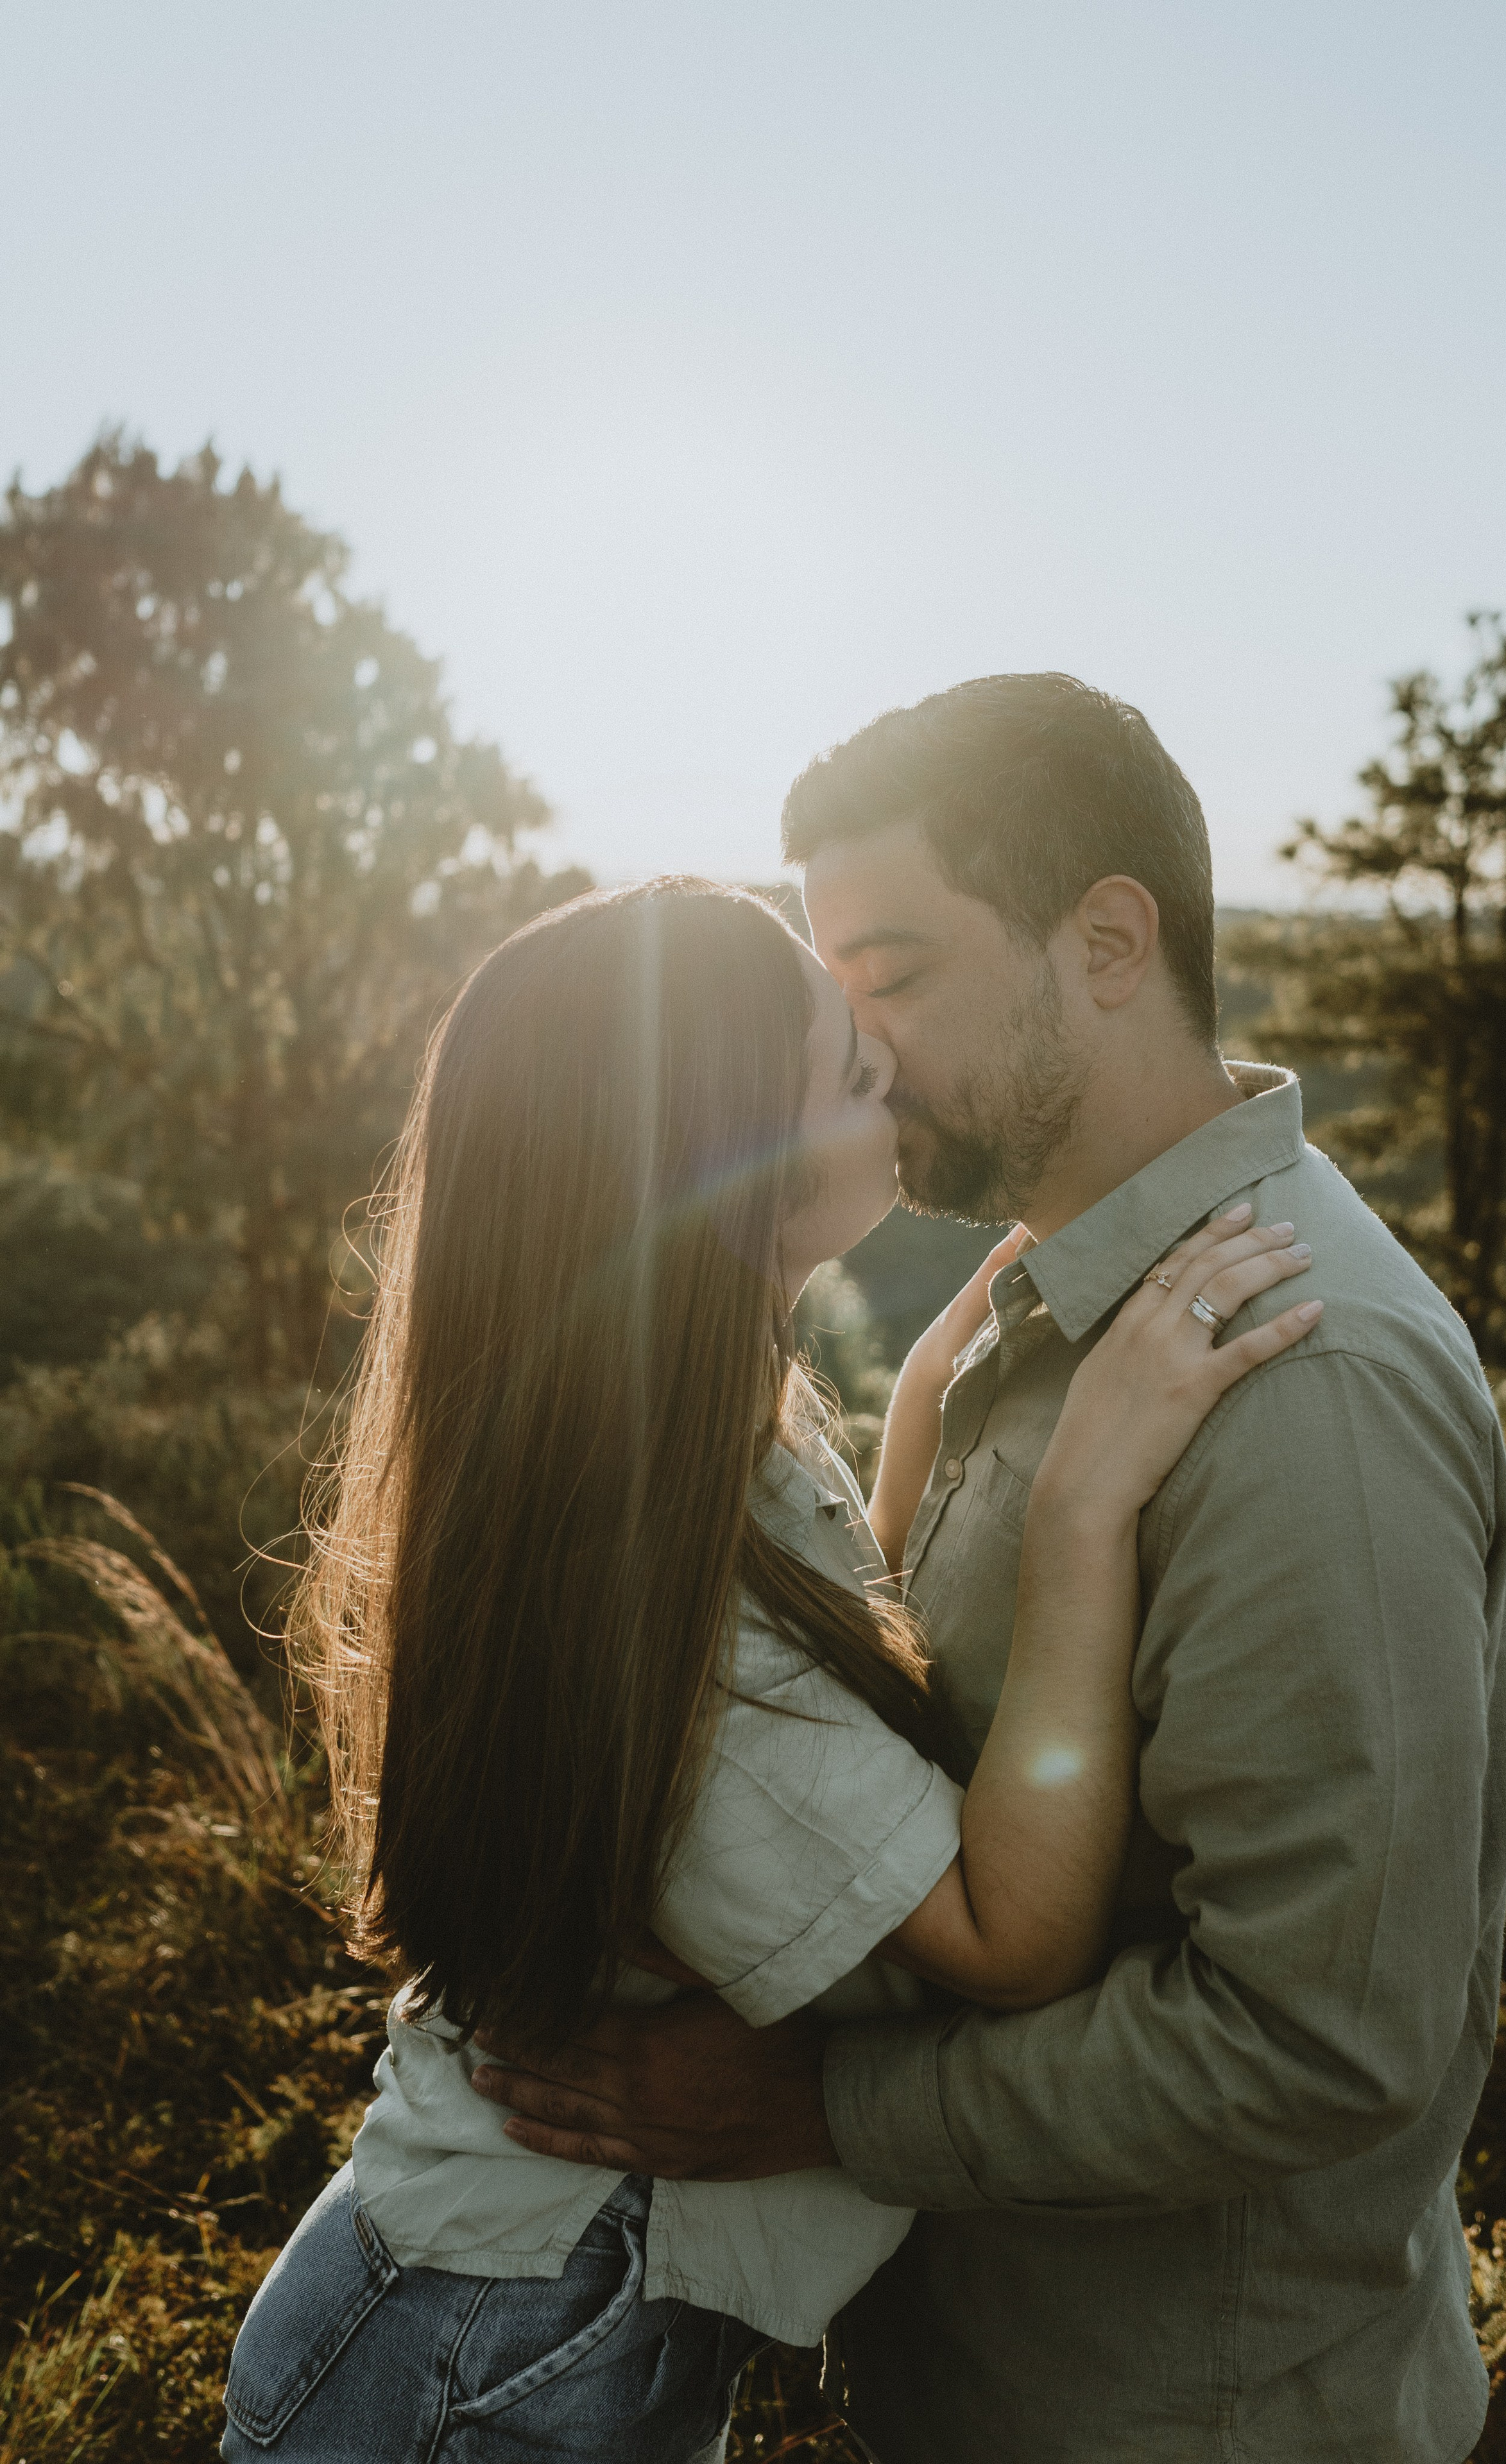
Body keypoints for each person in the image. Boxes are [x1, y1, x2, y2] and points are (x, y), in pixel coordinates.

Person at [477, 679, 1506, 2464]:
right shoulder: (1041, 1314)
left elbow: (1320, 2045)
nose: (863, 1050)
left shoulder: (1301, 1392)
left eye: (895, 975)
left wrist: (825, 2107)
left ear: (1109, 942)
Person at [219, 877, 1319, 2463]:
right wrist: (1084, 1506)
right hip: (488, 2358)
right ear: (714, 1170)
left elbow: (810, 1673)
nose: (894, 1065)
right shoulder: (653, 1593)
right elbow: (1005, 1941)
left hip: (515, 2314)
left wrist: (940, 1382)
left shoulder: (656, 1447)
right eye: (853, 1072)